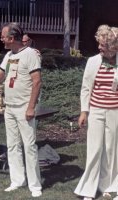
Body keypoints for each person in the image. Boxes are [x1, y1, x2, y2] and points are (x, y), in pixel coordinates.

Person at [0, 22, 42, 197]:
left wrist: (31, 107)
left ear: (12, 38)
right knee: (12, 145)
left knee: (29, 146)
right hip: (9, 107)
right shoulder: (9, 55)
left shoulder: (31, 54)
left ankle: (35, 185)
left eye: (3, 36)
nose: (1, 39)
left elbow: (37, 82)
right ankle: (17, 180)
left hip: (24, 108)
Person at [74, 25, 118, 200]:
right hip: (96, 110)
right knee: (94, 149)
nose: (99, 47)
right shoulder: (93, 61)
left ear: (113, 47)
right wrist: (84, 112)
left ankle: (108, 185)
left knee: (111, 149)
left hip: (115, 111)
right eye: (99, 43)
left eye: (103, 45)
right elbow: (86, 88)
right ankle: (88, 190)